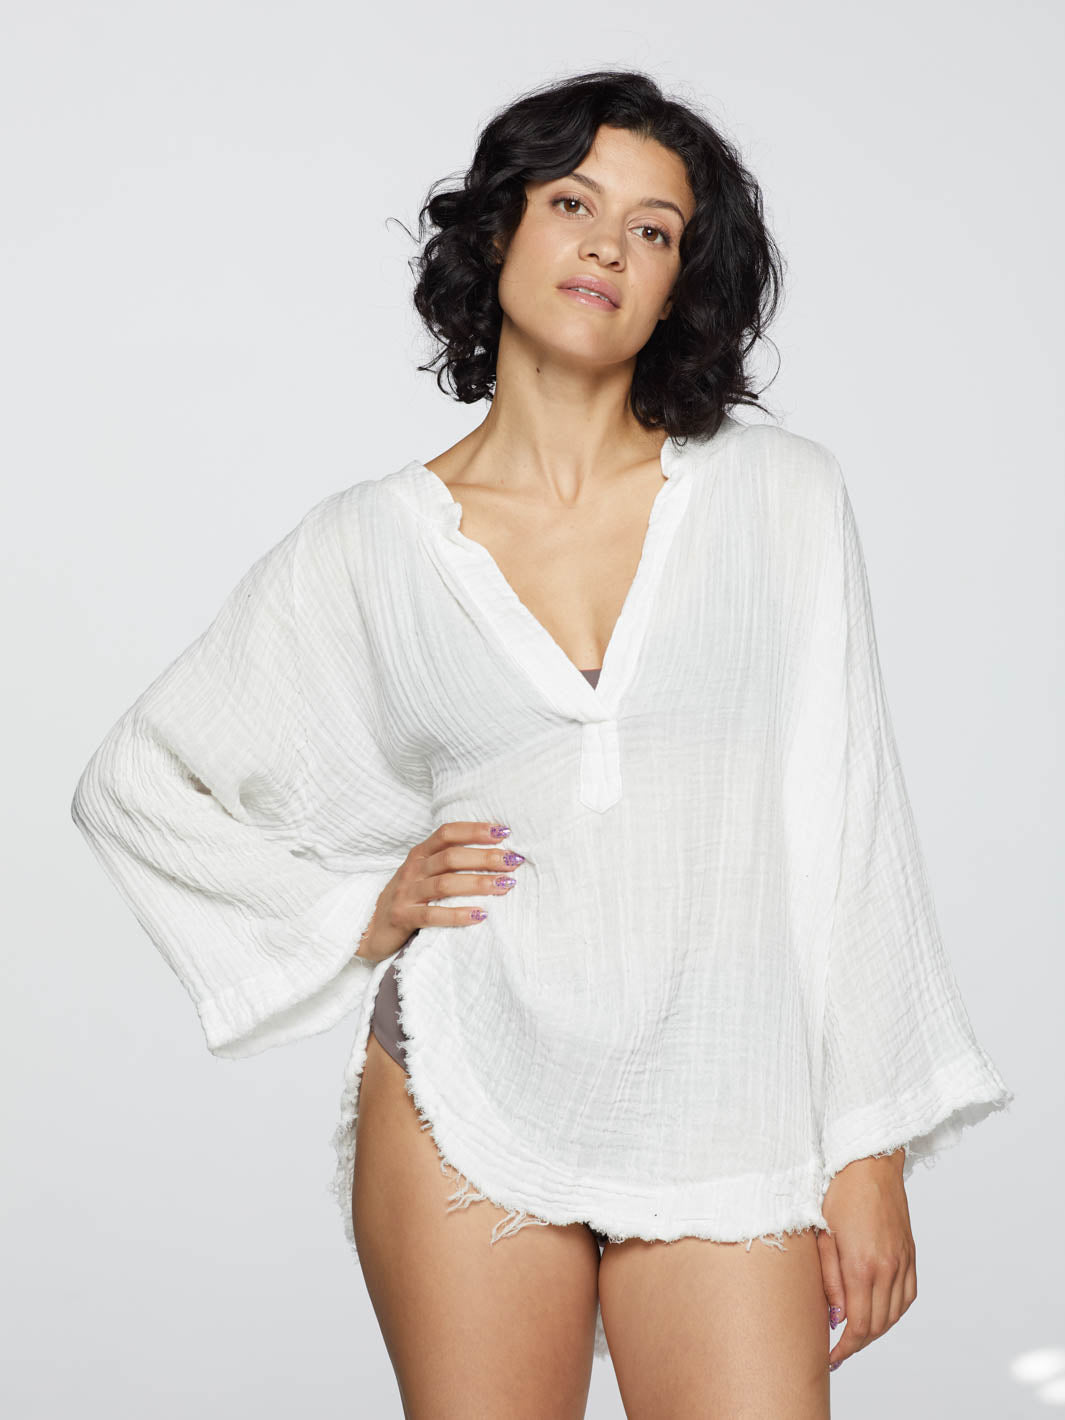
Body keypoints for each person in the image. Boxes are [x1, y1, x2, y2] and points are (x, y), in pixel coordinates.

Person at [70, 70, 1013, 1418]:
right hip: (466, 1085)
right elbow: (140, 782)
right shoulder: (371, 544)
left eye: (653, 229)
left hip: (725, 1086)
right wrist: (357, 909)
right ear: (501, 229)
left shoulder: (778, 498)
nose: (606, 247)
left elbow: (844, 827)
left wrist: (868, 1151)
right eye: (573, 203)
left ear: (679, 284)